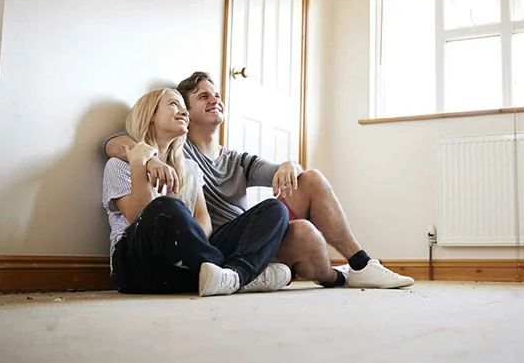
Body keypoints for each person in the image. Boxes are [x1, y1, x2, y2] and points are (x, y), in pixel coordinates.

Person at [105, 73, 414, 289]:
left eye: (217, 95)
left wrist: (289, 165)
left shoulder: (224, 161)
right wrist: (143, 158)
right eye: (201, 97)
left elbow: (285, 173)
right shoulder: (169, 149)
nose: (214, 100)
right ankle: (252, 274)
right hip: (192, 247)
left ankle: (358, 264)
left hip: (233, 240)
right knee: (168, 208)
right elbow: (117, 143)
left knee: (299, 191)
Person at [102, 87, 292, 297]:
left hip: (186, 267)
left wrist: (190, 245)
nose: (184, 112)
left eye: (185, 107)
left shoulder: (190, 168)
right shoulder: (118, 165)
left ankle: (235, 274)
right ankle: (243, 273)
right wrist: (139, 163)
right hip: (135, 270)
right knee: (167, 207)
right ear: (150, 116)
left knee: (274, 209)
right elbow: (137, 217)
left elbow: (203, 218)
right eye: (174, 104)